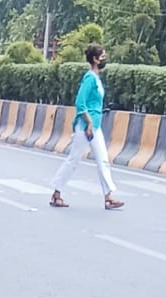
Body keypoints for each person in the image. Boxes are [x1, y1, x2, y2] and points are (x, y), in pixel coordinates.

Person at [49, 44, 124, 211]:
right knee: (73, 160)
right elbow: (80, 102)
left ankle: (108, 197)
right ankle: (56, 192)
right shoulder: (90, 78)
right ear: (95, 59)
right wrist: (88, 123)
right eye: (102, 57)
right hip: (86, 126)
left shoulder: (96, 78)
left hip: (94, 125)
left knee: (103, 160)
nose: (104, 59)